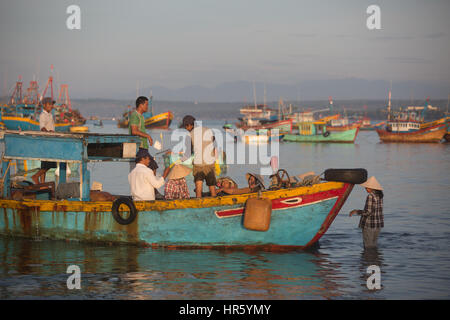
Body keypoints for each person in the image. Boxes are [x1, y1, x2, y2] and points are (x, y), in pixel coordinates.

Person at [181, 115, 217, 198]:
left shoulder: (189, 136)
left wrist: (180, 161)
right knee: (212, 187)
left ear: (189, 125)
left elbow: (188, 154)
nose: (186, 129)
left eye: (186, 127)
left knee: (198, 187)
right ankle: (215, 205)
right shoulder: (208, 130)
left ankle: (199, 205)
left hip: (198, 164)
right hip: (210, 163)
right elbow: (214, 142)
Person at [349, 176, 384, 249]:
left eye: (367, 187)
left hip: (369, 224)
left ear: (372, 188)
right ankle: (375, 259)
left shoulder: (370, 196)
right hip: (377, 224)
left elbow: (368, 212)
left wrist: (356, 211)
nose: (366, 189)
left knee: (368, 246)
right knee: (374, 245)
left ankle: (368, 259)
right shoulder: (380, 196)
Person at [129, 96, 158, 173]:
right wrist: (148, 136)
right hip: (139, 147)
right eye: (146, 105)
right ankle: (152, 184)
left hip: (143, 147)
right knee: (152, 166)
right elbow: (134, 131)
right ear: (141, 105)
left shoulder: (141, 116)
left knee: (151, 167)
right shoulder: (135, 115)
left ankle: (149, 184)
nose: (147, 107)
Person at [32, 97, 57, 184]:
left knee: (45, 164)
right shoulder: (43, 115)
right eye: (49, 104)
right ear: (44, 105)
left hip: (50, 141)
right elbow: (42, 127)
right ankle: (35, 176)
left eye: (52, 104)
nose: (51, 106)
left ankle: (42, 183)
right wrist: (48, 132)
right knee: (50, 164)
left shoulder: (50, 115)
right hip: (46, 141)